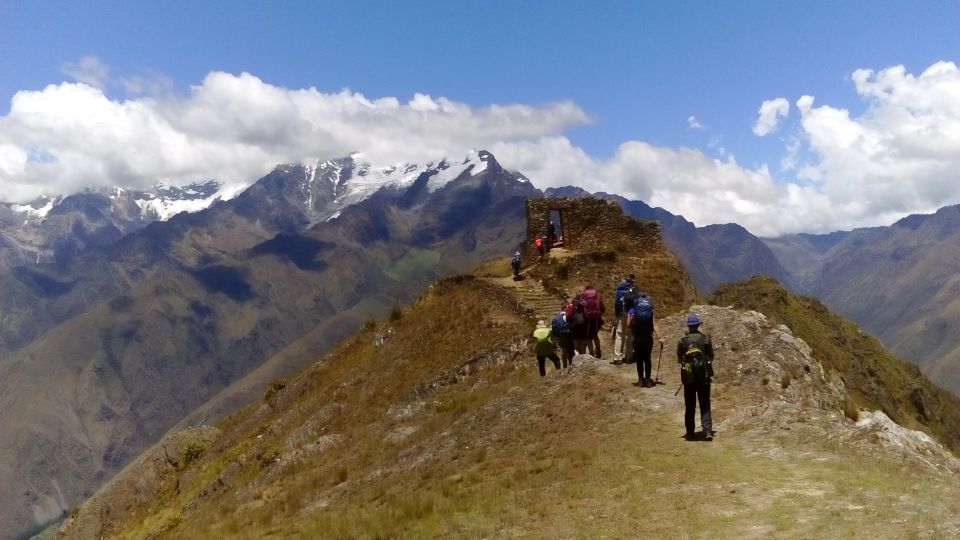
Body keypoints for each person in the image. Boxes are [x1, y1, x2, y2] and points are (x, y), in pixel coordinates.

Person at [677, 314, 715, 440]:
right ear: (698, 325)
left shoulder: (682, 341)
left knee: (690, 405)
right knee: (705, 404)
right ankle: (708, 431)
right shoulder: (705, 339)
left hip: (689, 379)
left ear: (688, 326)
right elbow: (711, 357)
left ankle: (690, 432)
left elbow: (680, 359)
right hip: (704, 378)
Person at [629, 293, 663, 387]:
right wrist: (659, 337)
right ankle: (648, 380)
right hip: (648, 337)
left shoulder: (633, 309)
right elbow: (654, 325)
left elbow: (628, 324)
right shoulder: (650, 310)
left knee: (639, 359)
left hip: (637, 337)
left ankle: (640, 380)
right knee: (647, 358)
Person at [610, 274, 635, 364]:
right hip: (630, 314)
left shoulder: (619, 289)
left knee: (620, 334)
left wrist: (617, 314)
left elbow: (616, 303)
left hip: (621, 314)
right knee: (629, 335)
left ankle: (617, 357)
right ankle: (628, 357)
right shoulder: (633, 289)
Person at [580, 285, 605, 358]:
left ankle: (591, 354)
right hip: (597, 318)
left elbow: (581, 307)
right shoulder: (596, 294)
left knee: (589, 337)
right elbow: (602, 307)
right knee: (595, 335)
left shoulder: (583, 294)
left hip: (587, 319)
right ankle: (598, 350)